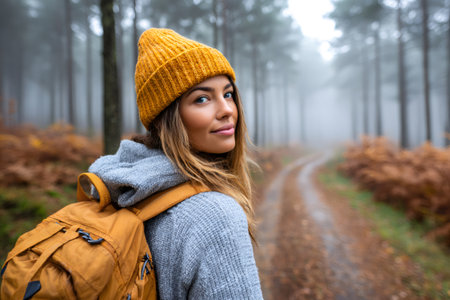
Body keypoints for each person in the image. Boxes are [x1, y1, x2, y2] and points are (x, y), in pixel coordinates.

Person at [88, 28, 263, 299]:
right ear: (168, 118)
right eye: (202, 98)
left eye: (227, 94)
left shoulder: (117, 188)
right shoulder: (216, 216)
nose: (227, 109)